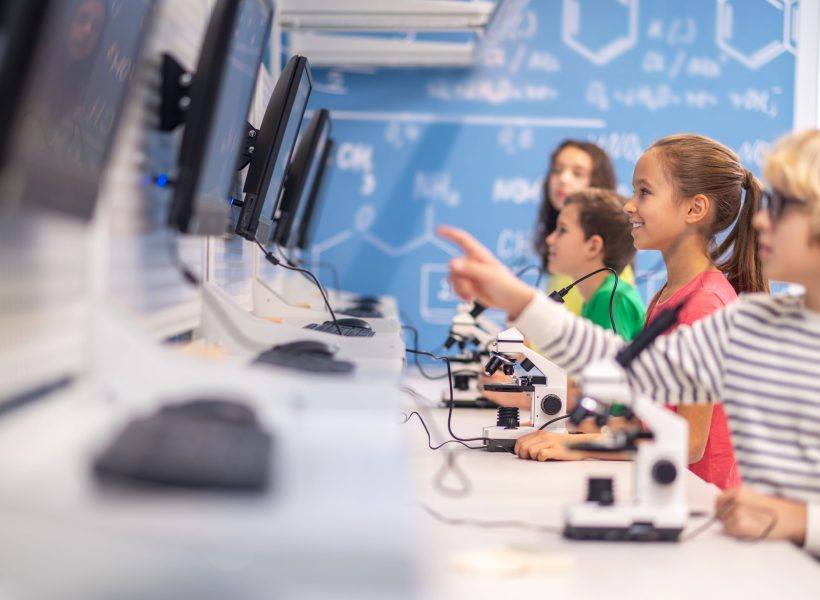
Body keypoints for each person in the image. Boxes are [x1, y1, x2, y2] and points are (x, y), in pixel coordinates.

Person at [439, 129, 820, 554]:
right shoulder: (754, 321)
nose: (763, 220)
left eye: (782, 207)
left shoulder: (712, 304)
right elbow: (626, 369)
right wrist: (517, 300)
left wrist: (803, 520)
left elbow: (691, 445)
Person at [545, 188, 644, 340]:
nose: (550, 239)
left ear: (593, 247)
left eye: (562, 230)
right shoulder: (595, 298)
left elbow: (608, 363)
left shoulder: (610, 299)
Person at [534, 140, 620, 316]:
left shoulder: (610, 271)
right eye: (557, 170)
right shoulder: (559, 256)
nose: (563, 179)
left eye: (577, 174)